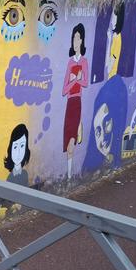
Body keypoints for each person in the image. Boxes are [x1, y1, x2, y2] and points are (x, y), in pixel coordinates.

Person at [82, 75, 128, 174]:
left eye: (106, 126)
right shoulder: (89, 171)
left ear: (117, 123)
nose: (102, 138)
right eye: (98, 131)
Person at [62, 23, 89, 179]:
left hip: (77, 102)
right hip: (69, 103)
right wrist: (74, 80)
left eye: (78, 38)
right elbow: (64, 90)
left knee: (72, 140)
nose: (75, 41)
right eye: (74, 38)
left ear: (82, 40)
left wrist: (77, 79)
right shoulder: (70, 62)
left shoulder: (84, 61)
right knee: (68, 142)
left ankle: (70, 176)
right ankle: (69, 174)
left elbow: (85, 83)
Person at [0, 124, 31, 214]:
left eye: (22, 146)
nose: (18, 152)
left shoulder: (24, 174)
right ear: (10, 149)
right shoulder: (11, 178)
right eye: (15, 147)